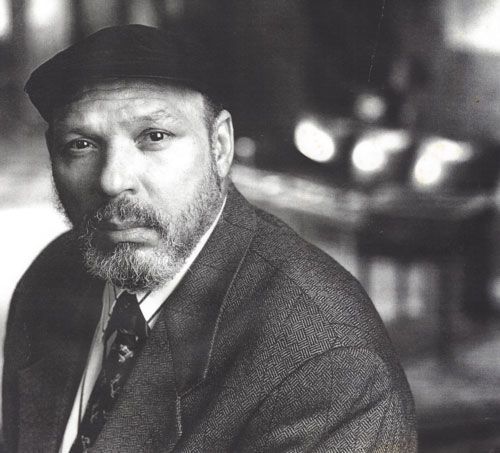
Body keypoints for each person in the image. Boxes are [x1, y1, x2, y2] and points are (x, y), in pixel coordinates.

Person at [3, 25, 416, 452]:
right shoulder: (51, 275)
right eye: (81, 144)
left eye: (154, 137)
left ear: (219, 146)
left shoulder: (328, 362)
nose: (112, 180)